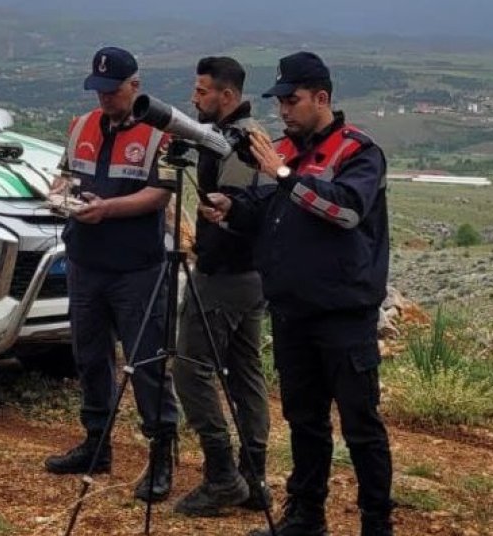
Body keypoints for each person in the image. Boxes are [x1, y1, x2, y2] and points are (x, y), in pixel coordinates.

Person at [200, 51, 394, 536]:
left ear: (321, 98)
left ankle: (376, 523)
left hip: (344, 314)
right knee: (304, 421)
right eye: (280, 102)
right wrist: (231, 208)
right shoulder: (282, 151)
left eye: (293, 100)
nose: (283, 110)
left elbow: (345, 211)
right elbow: (263, 209)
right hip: (291, 312)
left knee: (360, 425)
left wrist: (283, 176)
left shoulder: (358, 151)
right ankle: (306, 517)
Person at [43, 45, 179, 503]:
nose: (104, 98)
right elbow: (66, 174)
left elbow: (160, 194)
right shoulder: (81, 125)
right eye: (98, 90)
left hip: (136, 268)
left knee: (146, 363)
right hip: (85, 262)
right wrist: (59, 195)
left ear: (134, 86)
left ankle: (161, 454)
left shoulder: (160, 134)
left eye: (112, 90)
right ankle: (96, 443)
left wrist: (109, 209)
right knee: (89, 355)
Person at [172, 56, 272, 518]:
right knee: (246, 374)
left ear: (226, 95)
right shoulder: (243, 136)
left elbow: (235, 214)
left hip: (225, 275)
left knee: (190, 370)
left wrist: (210, 249)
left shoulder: (238, 145)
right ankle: (254, 479)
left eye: (202, 91)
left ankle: (222, 477)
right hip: (250, 277)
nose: (194, 99)